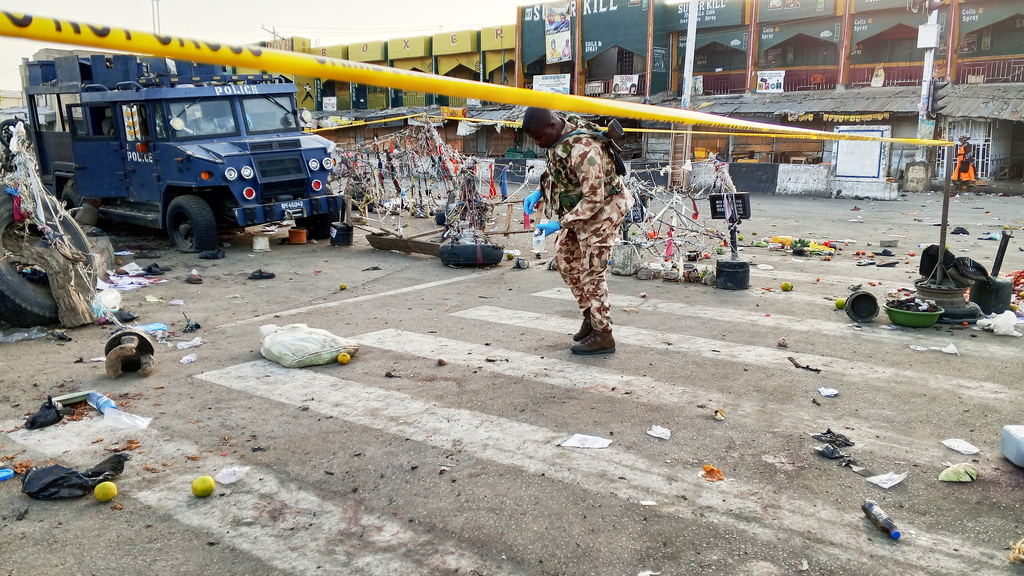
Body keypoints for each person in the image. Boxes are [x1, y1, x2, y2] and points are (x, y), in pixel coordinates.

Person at [521, 107, 634, 355]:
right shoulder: (560, 137)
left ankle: (604, 335)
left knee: (591, 271)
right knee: (564, 258)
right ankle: (590, 316)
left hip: (605, 209)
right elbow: (558, 172)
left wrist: (559, 223)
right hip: (580, 210)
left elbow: (594, 199)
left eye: (539, 137)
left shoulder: (584, 150)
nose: (538, 143)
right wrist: (540, 192)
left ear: (552, 125)